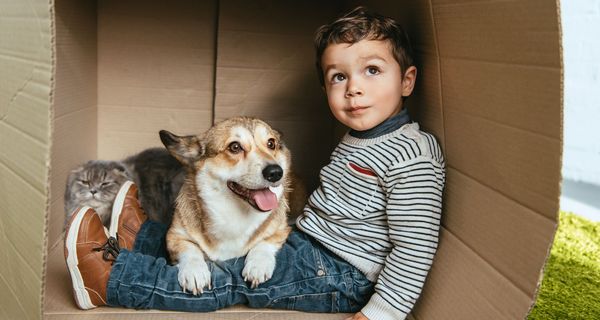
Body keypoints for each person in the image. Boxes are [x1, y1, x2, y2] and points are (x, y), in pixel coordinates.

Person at [64, 7, 445, 320]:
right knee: (227, 250)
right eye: (339, 76)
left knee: (228, 279)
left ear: (408, 81)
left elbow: (415, 247)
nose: (354, 88)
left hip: (343, 275)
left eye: (372, 71)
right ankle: (139, 235)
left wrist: (381, 313)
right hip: (309, 245)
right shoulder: (361, 137)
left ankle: (115, 281)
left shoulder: (412, 154)